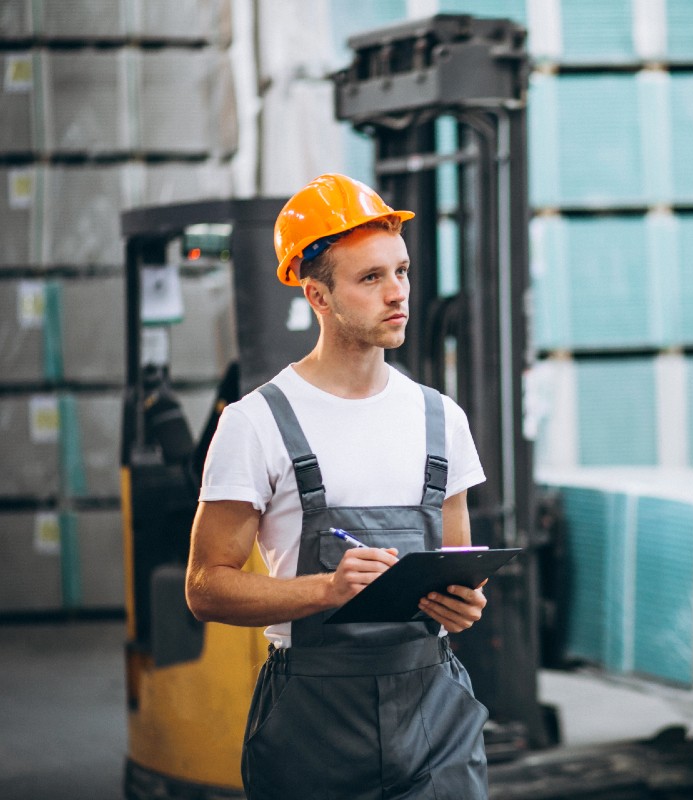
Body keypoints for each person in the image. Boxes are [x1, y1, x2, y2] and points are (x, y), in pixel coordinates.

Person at [185, 173, 490, 799]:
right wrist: (326, 590)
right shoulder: (256, 424)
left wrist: (463, 605)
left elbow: (459, 568)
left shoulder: (441, 418)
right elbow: (205, 587)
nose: (396, 293)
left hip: (434, 706)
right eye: (370, 278)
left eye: (400, 271)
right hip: (312, 714)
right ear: (317, 295)